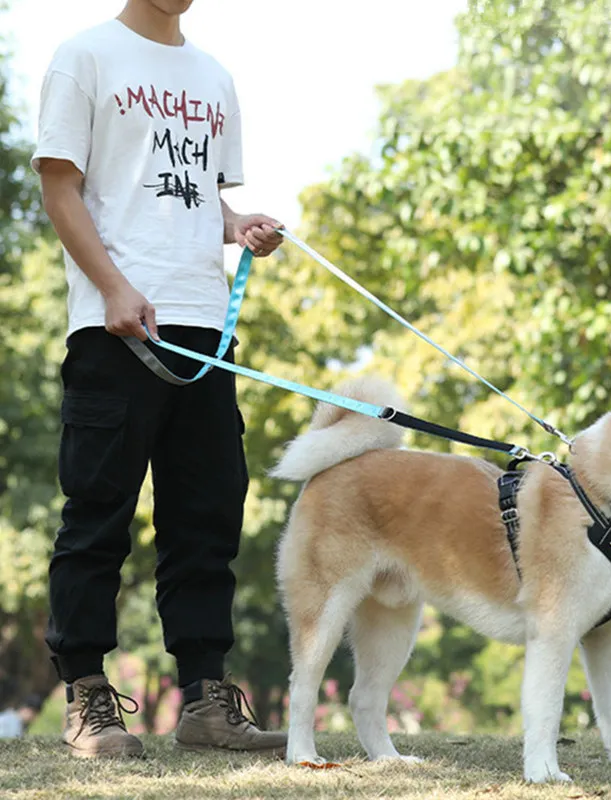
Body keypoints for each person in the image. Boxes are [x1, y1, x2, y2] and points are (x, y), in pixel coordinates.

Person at [33, 0, 287, 758]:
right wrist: (113, 287)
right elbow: (60, 187)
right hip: (114, 325)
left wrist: (235, 225)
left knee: (208, 516)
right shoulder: (84, 56)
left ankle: (207, 701)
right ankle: (87, 697)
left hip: (206, 328)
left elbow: (189, 192)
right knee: (97, 514)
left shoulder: (213, 76)